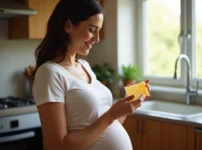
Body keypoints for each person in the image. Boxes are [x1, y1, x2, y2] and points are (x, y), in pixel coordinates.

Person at [31, 0, 150, 150]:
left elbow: (102, 128)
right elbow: (56, 146)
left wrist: (126, 107)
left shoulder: (84, 66)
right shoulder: (50, 73)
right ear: (68, 26)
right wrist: (111, 115)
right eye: (92, 29)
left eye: (98, 30)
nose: (97, 38)